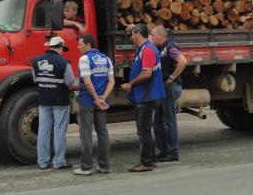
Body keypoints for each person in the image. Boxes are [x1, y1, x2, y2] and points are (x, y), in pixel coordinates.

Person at [120, 23, 165, 172]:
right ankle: (150, 160)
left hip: (147, 96)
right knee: (146, 129)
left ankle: (146, 163)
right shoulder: (144, 49)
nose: (131, 37)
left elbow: (147, 73)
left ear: (138, 33)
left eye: (132, 34)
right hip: (146, 95)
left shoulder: (147, 50)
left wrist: (130, 84)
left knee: (143, 131)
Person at [31, 36, 75, 170]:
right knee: (59, 131)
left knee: (43, 130)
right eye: (63, 49)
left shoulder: (36, 61)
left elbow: (35, 79)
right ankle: (58, 162)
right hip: (60, 101)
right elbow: (70, 82)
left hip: (44, 100)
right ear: (60, 47)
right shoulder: (64, 62)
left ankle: (43, 162)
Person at [74, 34, 114, 176]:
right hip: (102, 101)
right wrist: (103, 97)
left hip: (87, 100)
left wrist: (96, 98)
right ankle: (104, 166)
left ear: (88, 45)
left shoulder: (84, 59)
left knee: (86, 134)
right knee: (102, 133)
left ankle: (86, 167)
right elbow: (111, 81)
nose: (78, 47)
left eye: (80, 44)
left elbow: (87, 81)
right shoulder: (106, 59)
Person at [150, 25, 187, 163]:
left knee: (168, 120)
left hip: (170, 87)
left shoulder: (170, 47)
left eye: (153, 35)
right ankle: (164, 151)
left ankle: (173, 152)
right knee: (157, 120)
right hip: (162, 88)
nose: (151, 37)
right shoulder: (160, 46)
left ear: (160, 35)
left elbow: (183, 62)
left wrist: (171, 78)